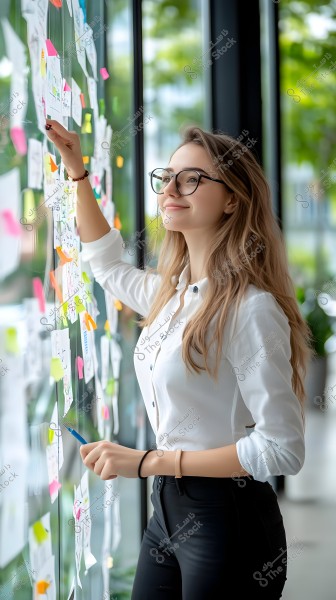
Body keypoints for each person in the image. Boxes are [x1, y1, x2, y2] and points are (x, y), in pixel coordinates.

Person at [45, 118, 315, 599]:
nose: (171, 188)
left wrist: (149, 461)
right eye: (167, 176)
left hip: (227, 521)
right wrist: (77, 171)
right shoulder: (171, 297)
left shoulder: (251, 309)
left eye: (191, 178)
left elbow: (282, 449)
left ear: (232, 199)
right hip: (166, 512)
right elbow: (106, 264)